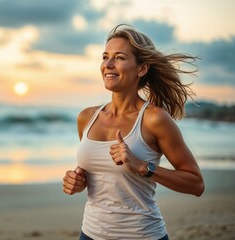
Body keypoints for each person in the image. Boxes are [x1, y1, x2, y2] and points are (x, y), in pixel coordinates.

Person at [62, 24, 204, 240]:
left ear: (141, 69)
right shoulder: (86, 118)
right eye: (105, 57)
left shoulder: (154, 119)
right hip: (90, 234)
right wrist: (77, 182)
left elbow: (196, 184)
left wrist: (141, 167)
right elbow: (100, 177)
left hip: (142, 235)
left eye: (119, 57)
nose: (108, 65)